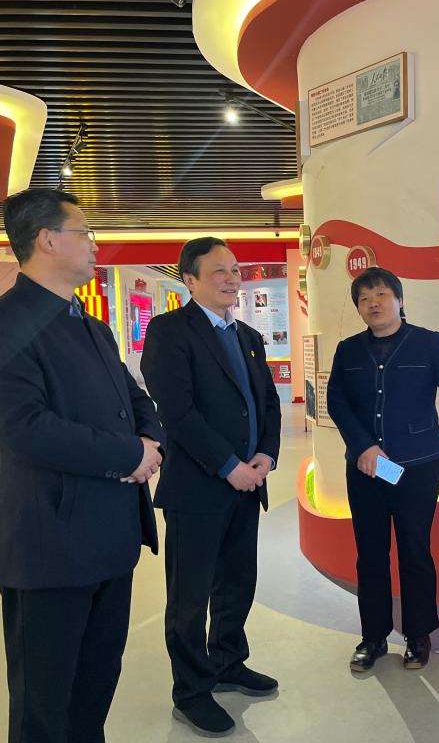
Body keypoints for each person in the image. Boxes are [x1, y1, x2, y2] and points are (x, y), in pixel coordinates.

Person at [0, 188, 165, 743]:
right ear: (48, 240)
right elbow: (26, 429)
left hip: (112, 537)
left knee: (95, 689)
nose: (95, 245)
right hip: (50, 544)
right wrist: (130, 454)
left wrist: (151, 439)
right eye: (85, 233)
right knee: (44, 705)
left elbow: (134, 397)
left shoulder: (92, 327)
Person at [141, 237, 281, 738]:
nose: (231, 278)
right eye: (219, 270)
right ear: (190, 279)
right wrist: (228, 465)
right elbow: (177, 412)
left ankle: (228, 661)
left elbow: (267, 403)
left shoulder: (248, 335)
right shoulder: (169, 331)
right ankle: (191, 691)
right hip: (198, 489)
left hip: (248, 483)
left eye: (235, 269)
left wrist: (266, 454)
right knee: (190, 596)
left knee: (237, 583)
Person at [327, 267, 439, 672]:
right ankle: (373, 637)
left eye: (381, 294)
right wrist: (363, 446)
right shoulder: (348, 350)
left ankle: (418, 635)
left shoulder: (430, 343)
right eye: (364, 299)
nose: (373, 303)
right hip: (366, 469)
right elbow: (337, 403)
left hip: (417, 467)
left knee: (415, 550)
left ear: (399, 300)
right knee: (370, 554)